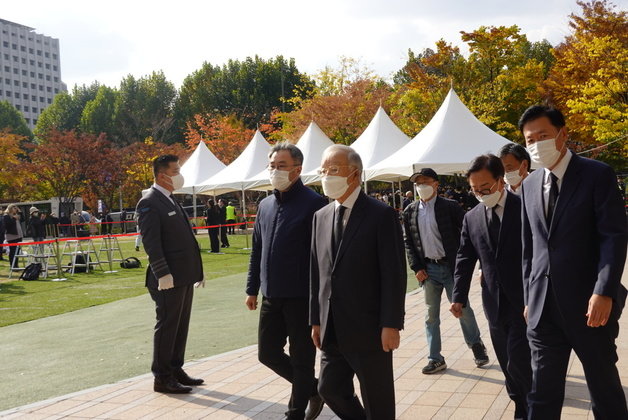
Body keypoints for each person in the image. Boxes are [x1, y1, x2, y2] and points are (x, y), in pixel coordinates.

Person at [519, 105, 627, 419]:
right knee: (542, 395)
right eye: (530, 140)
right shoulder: (528, 185)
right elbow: (530, 248)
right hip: (543, 310)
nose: (536, 144)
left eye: (543, 136)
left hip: (590, 307)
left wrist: (604, 290)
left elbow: (613, 236)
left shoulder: (597, 174)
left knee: (604, 390)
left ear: (563, 134)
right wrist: (529, 297)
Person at [310, 145, 407, 420]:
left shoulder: (380, 214)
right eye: (323, 170)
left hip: (370, 328)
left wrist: (391, 324)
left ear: (354, 174)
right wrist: (316, 319)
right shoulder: (321, 216)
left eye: (333, 170)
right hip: (332, 328)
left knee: (378, 399)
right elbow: (317, 274)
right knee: (329, 388)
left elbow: (394, 273)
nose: (326, 176)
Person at [246, 142, 327, 420]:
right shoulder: (265, 204)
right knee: (267, 353)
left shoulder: (315, 203)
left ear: (297, 169)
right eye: (272, 165)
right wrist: (251, 288)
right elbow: (257, 248)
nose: (275, 171)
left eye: (281, 166)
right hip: (271, 294)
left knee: (303, 358)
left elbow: (322, 256)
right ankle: (315, 389)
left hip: (302, 296)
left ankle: (295, 413)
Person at [451, 154, 532, 419]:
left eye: (485, 188)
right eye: (475, 190)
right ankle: (520, 402)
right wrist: (458, 296)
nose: (481, 194)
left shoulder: (526, 208)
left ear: (500, 181)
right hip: (494, 303)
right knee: (507, 361)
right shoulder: (472, 217)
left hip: (525, 300)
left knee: (519, 359)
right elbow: (465, 258)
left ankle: (529, 407)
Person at [402, 168, 488, 374]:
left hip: (451, 268)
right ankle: (435, 358)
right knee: (431, 315)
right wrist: (417, 267)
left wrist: (471, 263)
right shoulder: (410, 211)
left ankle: (476, 345)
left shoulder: (450, 207)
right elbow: (409, 242)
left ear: (436, 184)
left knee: (463, 308)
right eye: (417, 182)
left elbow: (468, 233)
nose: (421, 186)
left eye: (425, 181)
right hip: (428, 269)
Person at [136, 154, 205, 394]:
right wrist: (162, 273)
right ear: (162, 175)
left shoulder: (170, 199)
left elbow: (186, 239)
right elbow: (152, 243)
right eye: (175, 171)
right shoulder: (149, 201)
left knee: (180, 325)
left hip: (184, 275)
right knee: (167, 326)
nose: (179, 175)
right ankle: (162, 377)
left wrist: (197, 271)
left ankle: (176, 369)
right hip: (167, 279)